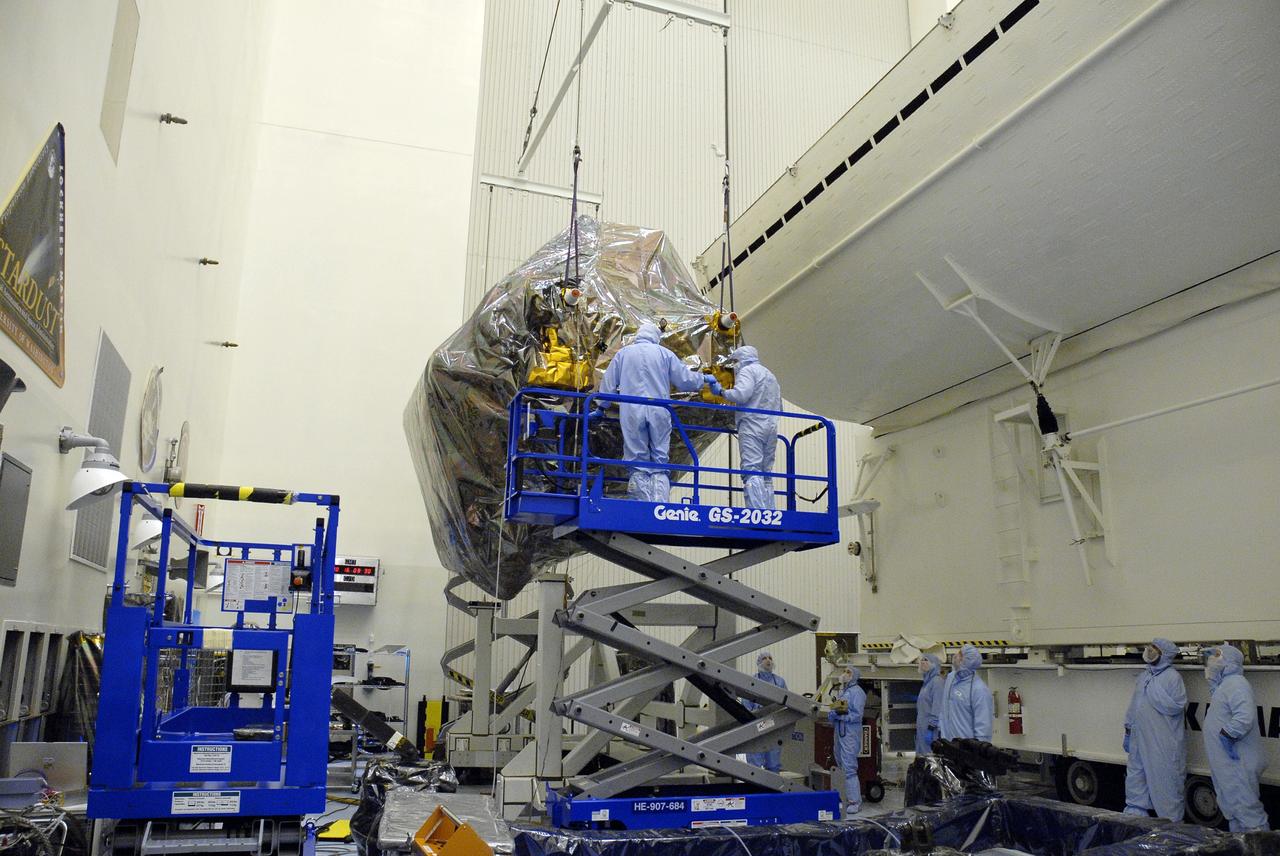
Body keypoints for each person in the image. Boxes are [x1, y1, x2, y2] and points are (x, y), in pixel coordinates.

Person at [596, 321, 711, 501]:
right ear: (656, 337)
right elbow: (684, 380)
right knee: (659, 457)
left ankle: (641, 504)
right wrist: (704, 379)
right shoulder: (664, 354)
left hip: (632, 409)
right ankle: (659, 504)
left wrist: (600, 407)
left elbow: (608, 384)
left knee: (637, 457)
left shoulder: (624, 354)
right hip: (659, 409)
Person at [705, 346, 782, 508]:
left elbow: (741, 394)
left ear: (741, 360)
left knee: (752, 469)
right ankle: (769, 513)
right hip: (771, 427)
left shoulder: (748, 371)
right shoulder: (770, 375)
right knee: (766, 473)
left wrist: (722, 392)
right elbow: (779, 406)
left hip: (752, 425)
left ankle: (757, 514)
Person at [1203, 644, 1269, 832]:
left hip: (1237, 761)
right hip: (1228, 762)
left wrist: (1226, 734)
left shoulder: (1237, 683)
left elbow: (1244, 716)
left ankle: (1262, 849)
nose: (1211, 660)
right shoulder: (1225, 685)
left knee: (1248, 813)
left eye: (1216, 656)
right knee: (1234, 810)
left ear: (1229, 660)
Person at [1123, 638, 1187, 821]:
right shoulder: (1145, 676)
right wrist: (1128, 729)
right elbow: (1135, 705)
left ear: (1165, 655)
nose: (1149, 650)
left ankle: (1172, 826)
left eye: (1155, 649)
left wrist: (1153, 690)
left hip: (1162, 743)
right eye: (1150, 646)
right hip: (1138, 739)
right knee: (1136, 779)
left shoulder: (1172, 678)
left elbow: (1175, 706)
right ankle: (1135, 818)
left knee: (1166, 783)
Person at [829, 666, 866, 818]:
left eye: (848, 672)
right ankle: (844, 797)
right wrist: (833, 714)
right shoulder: (845, 692)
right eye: (844, 671)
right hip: (840, 732)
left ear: (854, 675)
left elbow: (857, 715)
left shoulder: (857, 692)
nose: (845, 674)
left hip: (849, 733)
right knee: (841, 765)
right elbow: (838, 708)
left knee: (849, 767)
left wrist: (842, 717)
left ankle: (854, 802)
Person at [743, 651, 787, 773]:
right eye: (764, 658)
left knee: (773, 762)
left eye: (770, 658)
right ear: (759, 662)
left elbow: (786, 704)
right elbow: (746, 705)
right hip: (756, 725)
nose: (768, 660)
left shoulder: (780, 682)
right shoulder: (751, 682)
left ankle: (773, 789)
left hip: (774, 725)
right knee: (754, 763)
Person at [940, 644, 993, 742]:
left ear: (964, 661)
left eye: (960, 654)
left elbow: (984, 725)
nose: (955, 656)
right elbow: (945, 709)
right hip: (948, 744)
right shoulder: (951, 678)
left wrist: (979, 751)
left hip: (966, 748)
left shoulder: (979, 690)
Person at [915, 653, 943, 756]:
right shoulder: (926, 683)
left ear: (934, 664)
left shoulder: (937, 682)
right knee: (922, 757)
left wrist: (931, 728)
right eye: (921, 660)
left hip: (930, 729)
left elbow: (937, 707)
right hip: (922, 727)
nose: (922, 662)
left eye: (926, 660)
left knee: (931, 758)